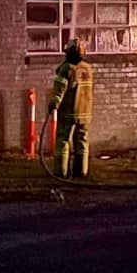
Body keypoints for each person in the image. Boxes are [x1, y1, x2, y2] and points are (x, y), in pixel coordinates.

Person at [49, 38, 94, 178]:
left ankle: (61, 171)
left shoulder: (66, 69)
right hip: (85, 112)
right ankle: (81, 171)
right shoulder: (87, 68)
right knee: (82, 141)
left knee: (63, 140)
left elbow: (59, 91)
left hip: (68, 112)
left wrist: (53, 104)